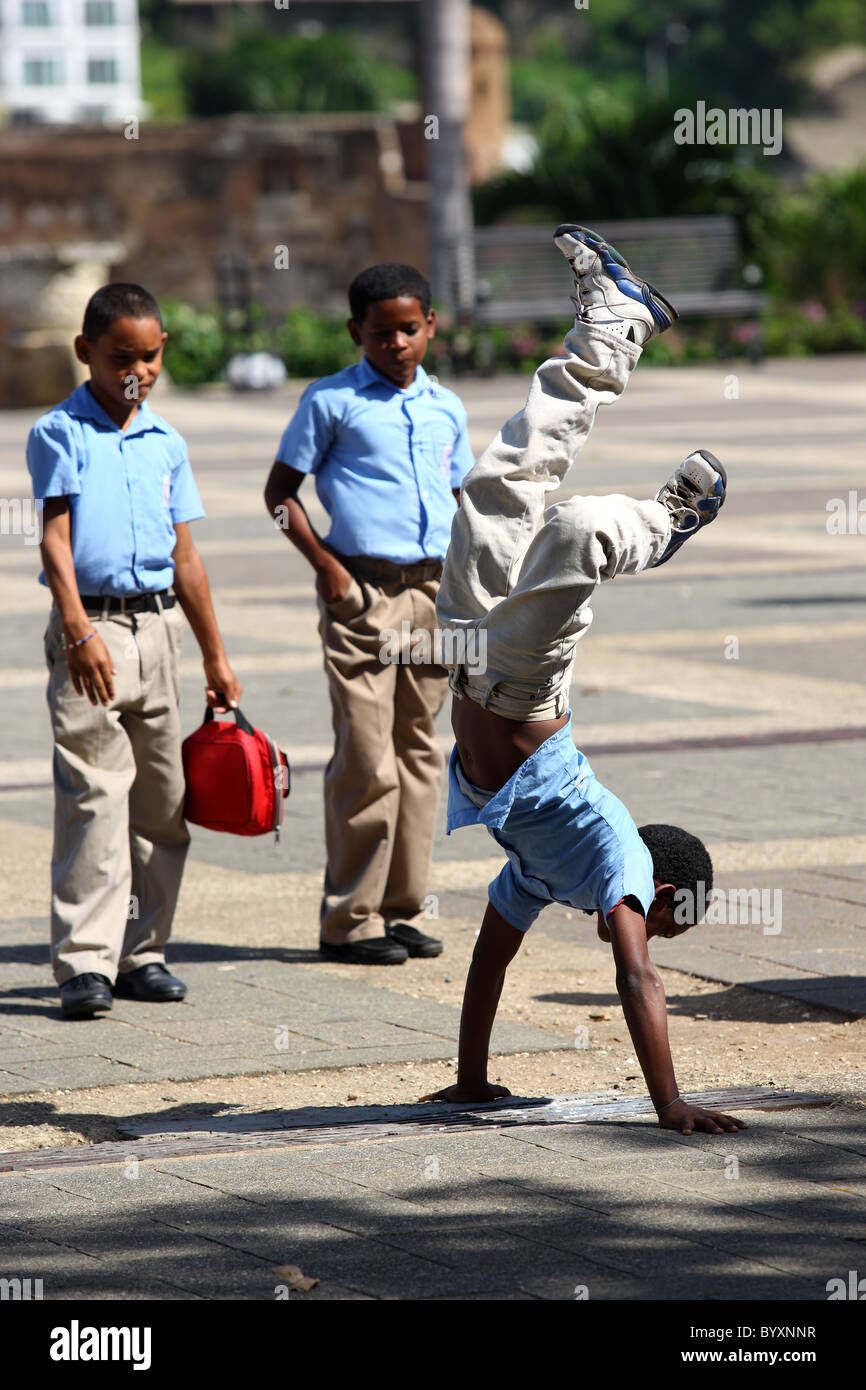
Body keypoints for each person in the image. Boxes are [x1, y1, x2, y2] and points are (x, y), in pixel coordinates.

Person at [423, 225, 746, 1135]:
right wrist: (670, 1103)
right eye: (664, 921)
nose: (647, 929)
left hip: (466, 656)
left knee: (505, 477)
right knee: (575, 532)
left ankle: (617, 323)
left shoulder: (545, 872)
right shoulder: (619, 860)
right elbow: (637, 974)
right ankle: (668, 519)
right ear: (666, 895)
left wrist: (473, 1078)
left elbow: (489, 960)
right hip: (523, 688)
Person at [27, 283, 241, 1019]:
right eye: (122, 356)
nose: (137, 371)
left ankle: (141, 951)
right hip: (92, 632)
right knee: (93, 796)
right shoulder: (60, 432)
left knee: (163, 801)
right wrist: (79, 629)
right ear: (85, 351)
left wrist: (215, 656)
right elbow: (54, 541)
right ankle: (84, 963)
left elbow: (186, 558)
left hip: (158, 633)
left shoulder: (166, 443)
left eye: (150, 356)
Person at [264, 264, 475, 965]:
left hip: (434, 597)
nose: (397, 344)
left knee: (419, 752)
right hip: (363, 598)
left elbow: (463, 498)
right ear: (356, 332)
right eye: (381, 333)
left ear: (431, 326)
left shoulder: (447, 406)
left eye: (409, 330)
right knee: (365, 759)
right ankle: (348, 920)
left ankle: (401, 909)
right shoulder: (330, 403)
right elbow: (279, 496)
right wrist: (328, 571)